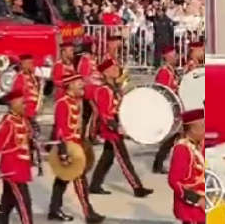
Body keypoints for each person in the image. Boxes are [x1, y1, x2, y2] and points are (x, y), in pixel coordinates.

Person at [88, 57, 153, 198]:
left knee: (107, 159)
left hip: (115, 128)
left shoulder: (114, 88)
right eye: (113, 68)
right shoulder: (104, 90)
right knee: (124, 159)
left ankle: (94, 185)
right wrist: (116, 127)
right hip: (111, 131)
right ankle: (137, 188)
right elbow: (105, 114)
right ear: (105, 72)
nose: (117, 70)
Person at [49, 73, 103, 223]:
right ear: (70, 85)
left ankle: (54, 209)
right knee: (80, 181)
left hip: (75, 147)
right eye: (78, 82)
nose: (82, 84)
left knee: (61, 180)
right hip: (69, 149)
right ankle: (88, 213)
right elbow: (60, 131)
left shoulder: (74, 102)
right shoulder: (63, 103)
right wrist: (63, 153)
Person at [0, 90, 34, 224]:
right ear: (12, 104)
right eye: (22, 103)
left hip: (20, 169)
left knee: (7, 202)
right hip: (12, 171)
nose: (24, 105)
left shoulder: (22, 120)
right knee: (24, 203)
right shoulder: (8, 122)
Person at [168, 108, 207, 224]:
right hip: (191, 208)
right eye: (203, 126)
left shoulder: (202, 144)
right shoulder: (182, 149)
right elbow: (174, 181)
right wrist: (197, 199)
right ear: (193, 129)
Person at [152, 45, 181, 174]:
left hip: (174, 106)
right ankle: (158, 164)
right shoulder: (164, 72)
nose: (176, 57)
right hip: (169, 107)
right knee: (172, 137)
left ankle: (159, 163)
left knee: (174, 137)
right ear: (166, 57)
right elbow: (163, 90)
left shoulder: (171, 71)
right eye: (173, 55)